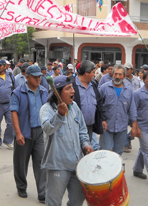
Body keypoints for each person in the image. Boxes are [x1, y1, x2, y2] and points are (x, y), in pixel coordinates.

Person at [39, 75, 93, 206]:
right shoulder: (46, 109)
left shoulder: (74, 107)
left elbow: (82, 130)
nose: (73, 91)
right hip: (58, 164)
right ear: (58, 92)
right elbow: (47, 129)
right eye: (68, 88)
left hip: (76, 163)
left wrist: (86, 145)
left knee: (77, 200)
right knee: (54, 202)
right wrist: (59, 115)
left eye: (72, 88)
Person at [10, 65, 48, 202]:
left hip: (40, 132)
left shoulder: (44, 91)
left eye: (40, 76)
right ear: (27, 77)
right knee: (21, 162)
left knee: (41, 163)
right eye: (35, 77)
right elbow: (14, 112)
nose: (38, 79)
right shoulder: (18, 93)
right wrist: (18, 133)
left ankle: (42, 192)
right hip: (24, 132)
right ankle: (21, 187)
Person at [99, 64, 140, 155]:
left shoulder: (128, 90)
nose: (117, 76)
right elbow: (98, 106)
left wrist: (134, 127)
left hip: (122, 127)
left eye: (120, 74)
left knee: (118, 154)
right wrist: (101, 120)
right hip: (106, 126)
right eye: (115, 74)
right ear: (112, 74)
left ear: (124, 76)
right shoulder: (104, 88)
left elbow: (132, 109)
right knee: (104, 153)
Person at [72, 60, 104, 142]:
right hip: (75, 126)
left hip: (90, 126)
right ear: (86, 73)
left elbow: (99, 102)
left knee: (87, 149)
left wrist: (102, 119)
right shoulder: (72, 85)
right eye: (93, 72)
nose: (94, 75)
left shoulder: (93, 84)